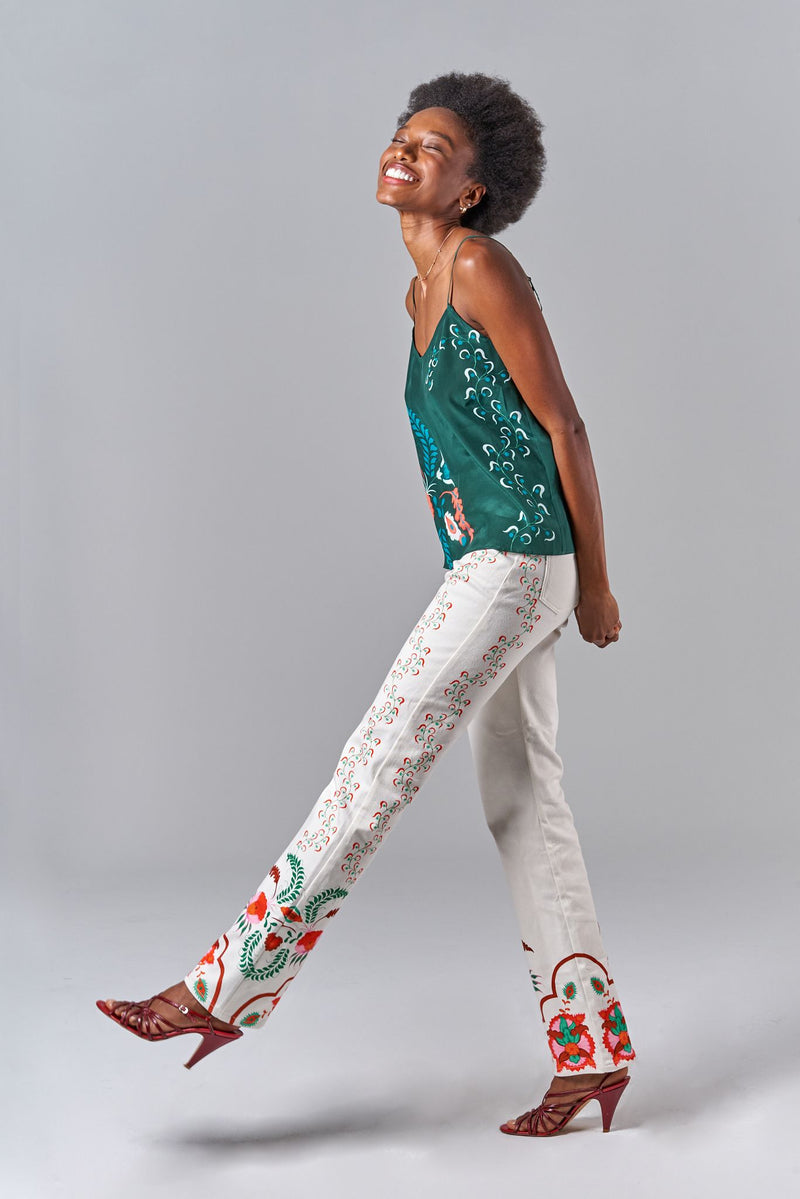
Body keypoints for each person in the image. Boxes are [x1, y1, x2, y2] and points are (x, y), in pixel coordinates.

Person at [97, 70, 636, 1138]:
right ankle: (593, 1052)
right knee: (524, 800)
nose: (403, 151)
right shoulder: (419, 289)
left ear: (471, 190)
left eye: (431, 147)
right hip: (494, 560)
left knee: (378, 754)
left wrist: (598, 580)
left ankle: (226, 984)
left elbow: (564, 426)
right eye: (402, 136)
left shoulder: (478, 266)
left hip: (517, 561)